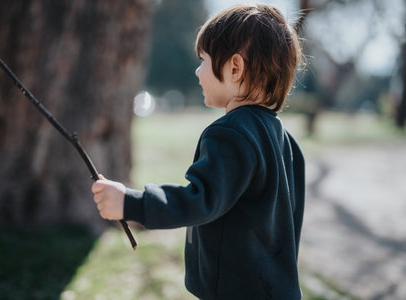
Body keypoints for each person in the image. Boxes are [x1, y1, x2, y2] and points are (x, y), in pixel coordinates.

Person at [92, 4, 305, 299]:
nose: (197, 70)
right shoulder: (287, 142)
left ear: (234, 68)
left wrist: (131, 204)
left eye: (202, 60)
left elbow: (200, 200)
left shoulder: (231, 133)